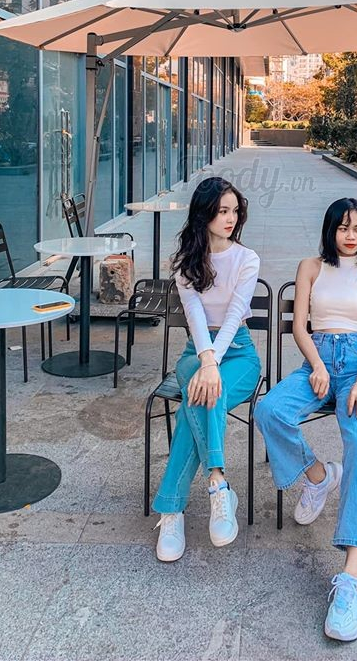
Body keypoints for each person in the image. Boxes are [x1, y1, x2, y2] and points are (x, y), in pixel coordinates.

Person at [255, 197, 357, 642]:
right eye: (343, 228)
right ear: (330, 230)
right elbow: (300, 327)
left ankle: (351, 578)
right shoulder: (310, 267)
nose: (350, 236)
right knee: (270, 410)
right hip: (318, 360)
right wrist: (316, 365)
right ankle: (318, 476)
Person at [152, 177, 261, 562]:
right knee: (204, 391)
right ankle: (218, 484)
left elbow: (234, 316)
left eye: (234, 211)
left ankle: (172, 509)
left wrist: (214, 363)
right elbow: (195, 317)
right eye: (221, 211)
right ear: (204, 214)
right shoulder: (186, 262)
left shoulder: (247, 259)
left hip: (240, 353)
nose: (230, 218)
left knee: (201, 398)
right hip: (195, 353)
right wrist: (206, 361)